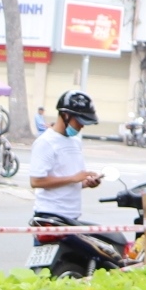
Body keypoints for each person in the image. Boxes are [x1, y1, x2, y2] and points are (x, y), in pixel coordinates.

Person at [27, 89, 106, 222]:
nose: (82, 126)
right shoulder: (46, 142)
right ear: (65, 115)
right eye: (79, 121)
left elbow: (74, 180)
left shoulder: (75, 141)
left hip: (72, 214)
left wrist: (87, 183)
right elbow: (36, 181)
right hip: (50, 215)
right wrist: (73, 178)